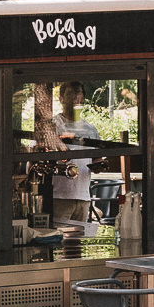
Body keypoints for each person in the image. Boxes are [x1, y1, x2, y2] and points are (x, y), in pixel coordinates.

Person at [52, 85, 100, 225]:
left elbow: (97, 159)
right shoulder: (53, 125)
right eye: (70, 93)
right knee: (57, 241)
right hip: (59, 196)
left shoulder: (90, 129)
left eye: (79, 93)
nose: (75, 97)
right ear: (61, 98)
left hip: (83, 196)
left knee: (78, 243)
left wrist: (99, 166)